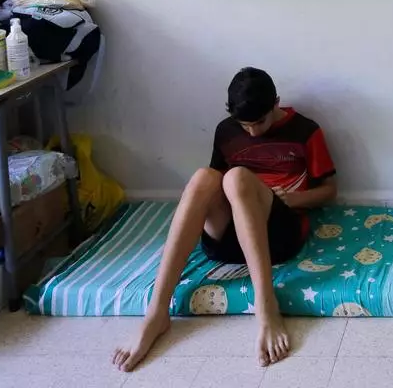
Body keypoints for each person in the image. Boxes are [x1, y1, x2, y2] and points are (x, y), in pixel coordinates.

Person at [112, 67, 337, 371]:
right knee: (206, 177)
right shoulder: (226, 131)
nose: (253, 132)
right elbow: (212, 191)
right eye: (245, 125)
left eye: (260, 122)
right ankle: (156, 312)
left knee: (236, 179)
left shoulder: (306, 131)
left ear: (276, 103)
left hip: (279, 235)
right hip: (229, 241)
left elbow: (329, 191)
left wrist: (293, 198)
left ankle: (266, 305)